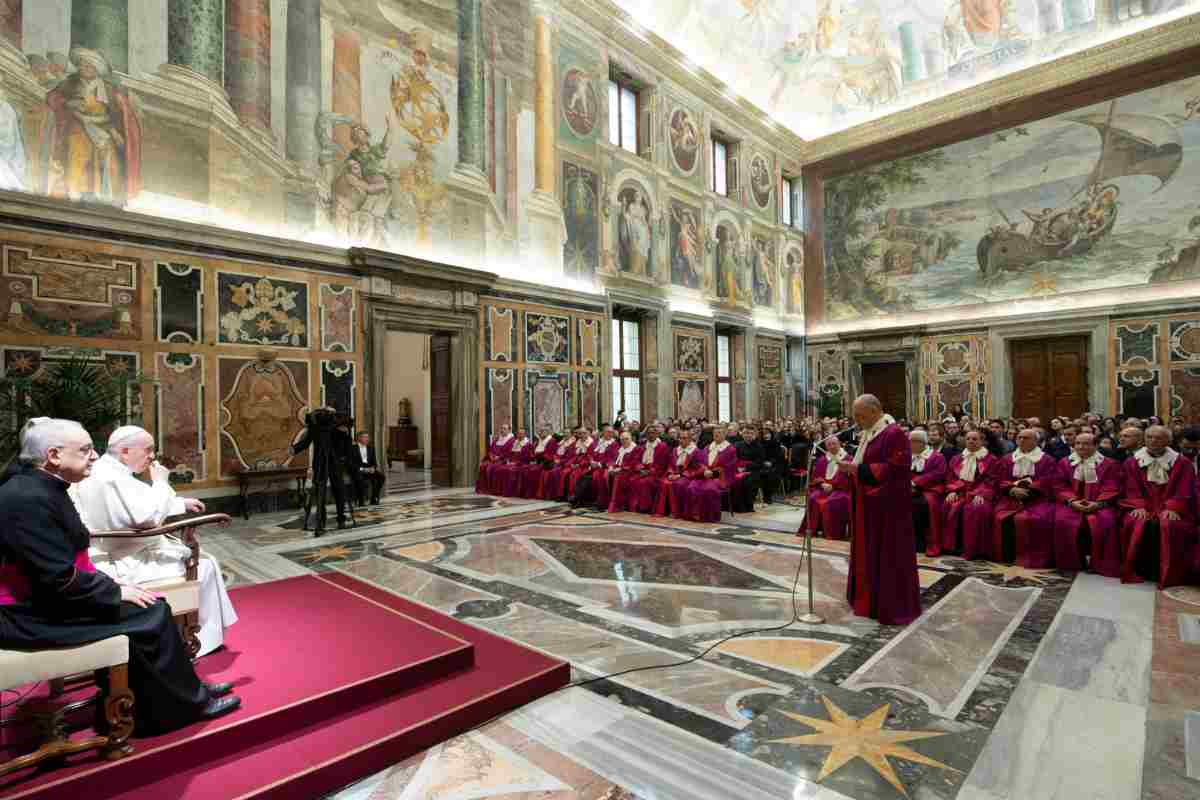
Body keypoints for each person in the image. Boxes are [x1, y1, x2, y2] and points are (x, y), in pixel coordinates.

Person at [0, 419, 238, 735]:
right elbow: (57, 576)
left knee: (151, 607)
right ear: (54, 455)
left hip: (50, 598)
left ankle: (185, 694)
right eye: (85, 450)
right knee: (150, 614)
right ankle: (179, 708)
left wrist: (112, 588)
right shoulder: (26, 498)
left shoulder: (39, 485)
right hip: (29, 614)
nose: (95, 457)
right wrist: (113, 590)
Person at [71, 426, 238, 658]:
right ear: (126, 451)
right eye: (148, 450)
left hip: (115, 547)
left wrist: (181, 503)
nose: (152, 456)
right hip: (127, 557)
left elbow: (135, 506)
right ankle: (197, 639)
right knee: (205, 564)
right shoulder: (114, 478)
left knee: (205, 560)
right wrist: (160, 481)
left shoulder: (103, 471)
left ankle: (185, 632)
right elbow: (145, 518)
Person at [836, 395, 921, 626]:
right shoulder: (869, 433)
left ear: (875, 411)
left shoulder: (893, 434)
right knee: (867, 552)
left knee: (886, 556)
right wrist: (852, 470)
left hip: (887, 509)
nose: (856, 420)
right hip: (868, 505)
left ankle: (888, 605)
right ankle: (865, 598)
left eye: (860, 415)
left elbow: (896, 468)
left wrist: (857, 470)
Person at [1119, 426, 1197, 588]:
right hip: (1144, 506)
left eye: (1159, 438)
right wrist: (1137, 505)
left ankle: (1167, 572)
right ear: (1144, 439)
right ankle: (1140, 570)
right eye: (1150, 437)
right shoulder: (1132, 462)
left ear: (1168, 441)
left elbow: (1185, 488)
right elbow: (1130, 487)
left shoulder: (1182, 463)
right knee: (1136, 522)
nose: (1153, 441)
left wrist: (1173, 507)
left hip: (1172, 508)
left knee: (1170, 526)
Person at [1053, 433, 1122, 577]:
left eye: (1085, 443)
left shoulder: (1109, 464)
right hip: (1072, 503)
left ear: (1096, 446)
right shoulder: (1065, 462)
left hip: (1100, 504)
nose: (1080, 447)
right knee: (1062, 520)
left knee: (1106, 521)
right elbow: (1059, 485)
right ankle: (1070, 563)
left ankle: (1100, 564)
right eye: (1078, 443)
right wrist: (1072, 501)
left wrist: (1098, 503)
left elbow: (1112, 486)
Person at [989, 429, 1057, 568]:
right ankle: (1007, 556)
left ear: (1036, 441)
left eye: (1026, 438)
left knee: (1034, 519)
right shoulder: (1007, 458)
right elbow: (999, 479)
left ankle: (1032, 557)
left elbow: (1048, 480)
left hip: (1037, 499)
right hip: (1010, 497)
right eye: (1019, 437)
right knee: (999, 516)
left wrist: (1028, 490)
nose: (1021, 440)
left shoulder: (1047, 460)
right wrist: (1012, 489)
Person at [942, 430, 998, 558]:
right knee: (948, 504)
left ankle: (975, 550)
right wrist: (953, 490)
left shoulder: (991, 459)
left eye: (975, 439)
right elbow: (950, 477)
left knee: (977, 508)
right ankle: (951, 547)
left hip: (980, 493)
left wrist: (981, 493)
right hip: (961, 491)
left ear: (982, 441)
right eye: (968, 439)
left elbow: (992, 480)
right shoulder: (957, 458)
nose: (971, 441)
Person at [686, 426, 737, 523]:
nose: (717, 434)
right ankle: (695, 514)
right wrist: (704, 470)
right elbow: (699, 462)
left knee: (708, 489)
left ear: (725, 434)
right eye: (715, 433)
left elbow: (729, 467)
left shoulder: (731, 449)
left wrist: (713, 473)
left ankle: (709, 516)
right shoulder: (707, 447)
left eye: (720, 433)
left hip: (719, 478)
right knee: (692, 486)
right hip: (704, 475)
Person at [910, 429, 949, 556]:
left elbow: (938, 474)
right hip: (910, 489)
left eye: (913, 442)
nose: (910, 445)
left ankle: (927, 543)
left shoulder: (937, 457)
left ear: (922, 443)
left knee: (924, 505)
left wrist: (916, 483)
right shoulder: (908, 456)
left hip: (931, 489)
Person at [616, 424, 670, 513]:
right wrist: (639, 467)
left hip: (656, 473)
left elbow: (662, 463)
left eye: (653, 433)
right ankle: (634, 506)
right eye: (648, 433)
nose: (650, 435)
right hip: (642, 471)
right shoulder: (642, 445)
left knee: (643, 482)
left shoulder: (662, 446)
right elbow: (636, 459)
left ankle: (645, 508)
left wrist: (650, 471)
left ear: (657, 434)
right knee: (631, 479)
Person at [807, 436, 851, 540]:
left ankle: (833, 533)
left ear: (839, 444)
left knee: (831, 502)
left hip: (841, 489)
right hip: (824, 487)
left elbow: (848, 478)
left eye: (834, 444)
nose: (831, 446)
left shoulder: (848, 459)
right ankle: (814, 529)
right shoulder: (822, 459)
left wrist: (833, 485)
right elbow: (815, 476)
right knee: (813, 498)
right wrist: (822, 483)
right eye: (829, 445)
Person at [654, 430, 703, 517]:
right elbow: (670, 464)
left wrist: (680, 475)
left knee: (678, 484)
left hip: (688, 476)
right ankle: (663, 511)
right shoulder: (675, 450)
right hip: (675, 474)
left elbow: (697, 469)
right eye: (680, 438)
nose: (681, 440)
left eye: (684, 438)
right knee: (663, 482)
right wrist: (670, 474)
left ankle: (677, 512)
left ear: (690, 439)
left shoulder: (696, 451)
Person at [598, 432, 640, 511]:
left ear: (631, 439)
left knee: (618, 478)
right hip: (617, 469)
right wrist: (610, 467)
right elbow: (613, 459)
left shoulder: (635, 449)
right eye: (622, 439)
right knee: (604, 475)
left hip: (629, 471)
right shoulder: (619, 449)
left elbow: (634, 463)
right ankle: (604, 503)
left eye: (626, 439)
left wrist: (621, 469)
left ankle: (616, 505)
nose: (624, 441)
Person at [475, 424, 514, 495]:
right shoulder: (497, 439)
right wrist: (491, 456)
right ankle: (484, 488)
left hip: (503, 460)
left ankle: (492, 489)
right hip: (493, 459)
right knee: (483, 466)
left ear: (509, 430)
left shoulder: (511, 440)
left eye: (505, 429)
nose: (502, 430)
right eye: (502, 428)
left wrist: (499, 457)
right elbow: (491, 449)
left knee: (492, 468)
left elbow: (509, 452)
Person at [520, 428, 558, 499]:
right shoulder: (538, 441)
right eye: (540, 431)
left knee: (531, 471)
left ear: (548, 432)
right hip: (537, 462)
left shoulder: (551, 441)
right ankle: (524, 492)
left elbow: (549, 455)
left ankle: (531, 493)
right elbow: (533, 453)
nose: (541, 433)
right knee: (524, 469)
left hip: (545, 463)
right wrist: (532, 457)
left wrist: (538, 458)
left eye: (543, 431)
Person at [492, 428, 531, 498]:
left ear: (525, 435)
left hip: (521, 464)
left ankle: (510, 492)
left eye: (521, 434)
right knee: (499, 469)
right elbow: (509, 454)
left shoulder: (527, 444)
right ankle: (500, 491)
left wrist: (516, 463)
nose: (520, 435)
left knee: (509, 470)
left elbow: (526, 458)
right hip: (511, 463)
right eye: (518, 433)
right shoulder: (515, 442)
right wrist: (508, 461)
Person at [349, 431, 386, 505]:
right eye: (365, 437)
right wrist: (363, 469)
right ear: (359, 438)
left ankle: (374, 498)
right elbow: (351, 464)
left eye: (368, 437)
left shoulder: (370, 448)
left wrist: (373, 468)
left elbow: (374, 462)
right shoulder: (352, 448)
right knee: (359, 479)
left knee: (381, 477)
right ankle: (361, 500)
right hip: (358, 470)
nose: (367, 439)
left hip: (369, 469)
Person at [541, 430, 578, 501]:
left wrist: (560, 461)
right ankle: (551, 495)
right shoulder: (561, 442)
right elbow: (556, 453)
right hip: (557, 462)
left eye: (567, 433)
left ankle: (559, 495)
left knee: (555, 472)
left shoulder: (573, 444)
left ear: (571, 434)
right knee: (546, 471)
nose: (565, 434)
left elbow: (570, 457)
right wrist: (555, 458)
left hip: (565, 464)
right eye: (564, 433)